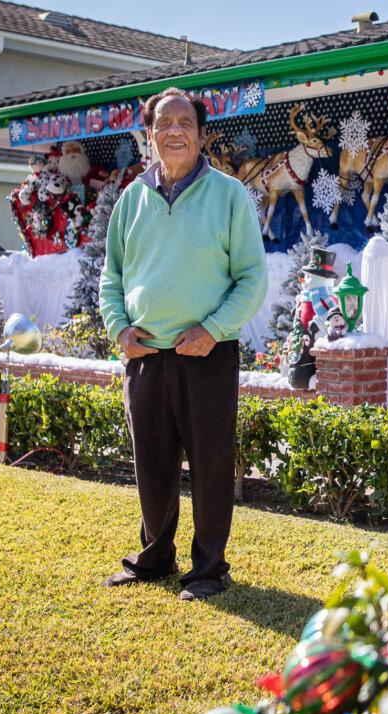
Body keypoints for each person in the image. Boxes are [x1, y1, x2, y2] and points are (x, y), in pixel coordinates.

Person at [99, 87, 268, 601]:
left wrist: (213, 329)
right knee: (151, 462)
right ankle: (154, 559)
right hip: (145, 356)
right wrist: (118, 329)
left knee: (212, 463)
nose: (174, 131)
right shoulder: (132, 198)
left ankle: (208, 570)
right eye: (163, 124)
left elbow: (252, 279)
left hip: (207, 355)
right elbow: (111, 276)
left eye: (185, 123)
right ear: (149, 135)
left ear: (200, 134)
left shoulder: (230, 196)